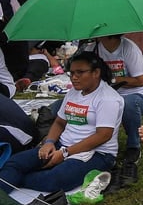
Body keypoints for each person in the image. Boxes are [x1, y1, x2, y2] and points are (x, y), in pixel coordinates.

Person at [0, 52, 123, 195]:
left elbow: (103, 136)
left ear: (96, 73)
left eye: (80, 73)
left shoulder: (108, 99)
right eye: (71, 73)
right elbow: (59, 122)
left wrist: (65, 153)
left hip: (97, 153)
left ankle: (16, 180)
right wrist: (49, 142)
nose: (74, 77)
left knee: (54, 180)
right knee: (14, 163)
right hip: (62, 145)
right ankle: (7, 188)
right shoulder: (74, 92)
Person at [90, 34, 143, 191]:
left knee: (127, 104)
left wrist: (113, 80)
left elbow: (141, 80)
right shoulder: (93, 50)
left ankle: (133, 146)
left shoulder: (129, 48)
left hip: (134, 97)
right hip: (105, 97)